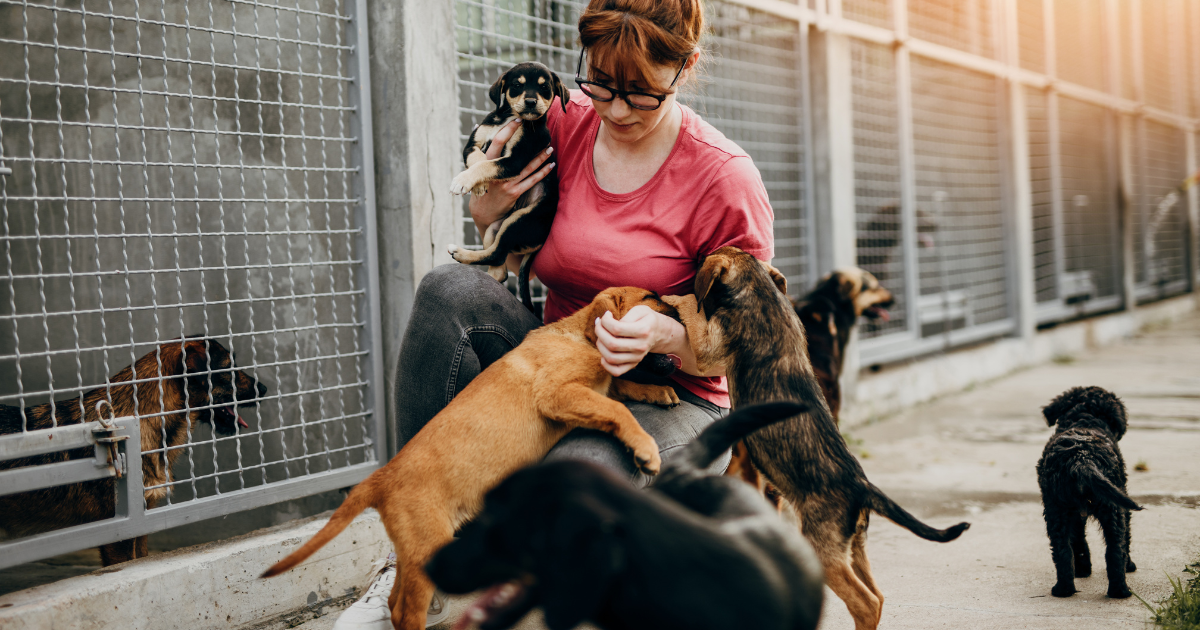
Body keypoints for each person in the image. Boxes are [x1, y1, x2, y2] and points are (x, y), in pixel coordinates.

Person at [333, 0, 774, 627]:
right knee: (449, 290)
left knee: (557, 506)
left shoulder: (723, 178)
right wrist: (489, 208)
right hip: (554, 357)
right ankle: (417, 553)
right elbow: (496, 209)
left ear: (685, 69)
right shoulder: (566, 119)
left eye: (640, 94)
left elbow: (752, 338)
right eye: (598, 81)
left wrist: (669, 332)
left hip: (671, 396)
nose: (614, 110)